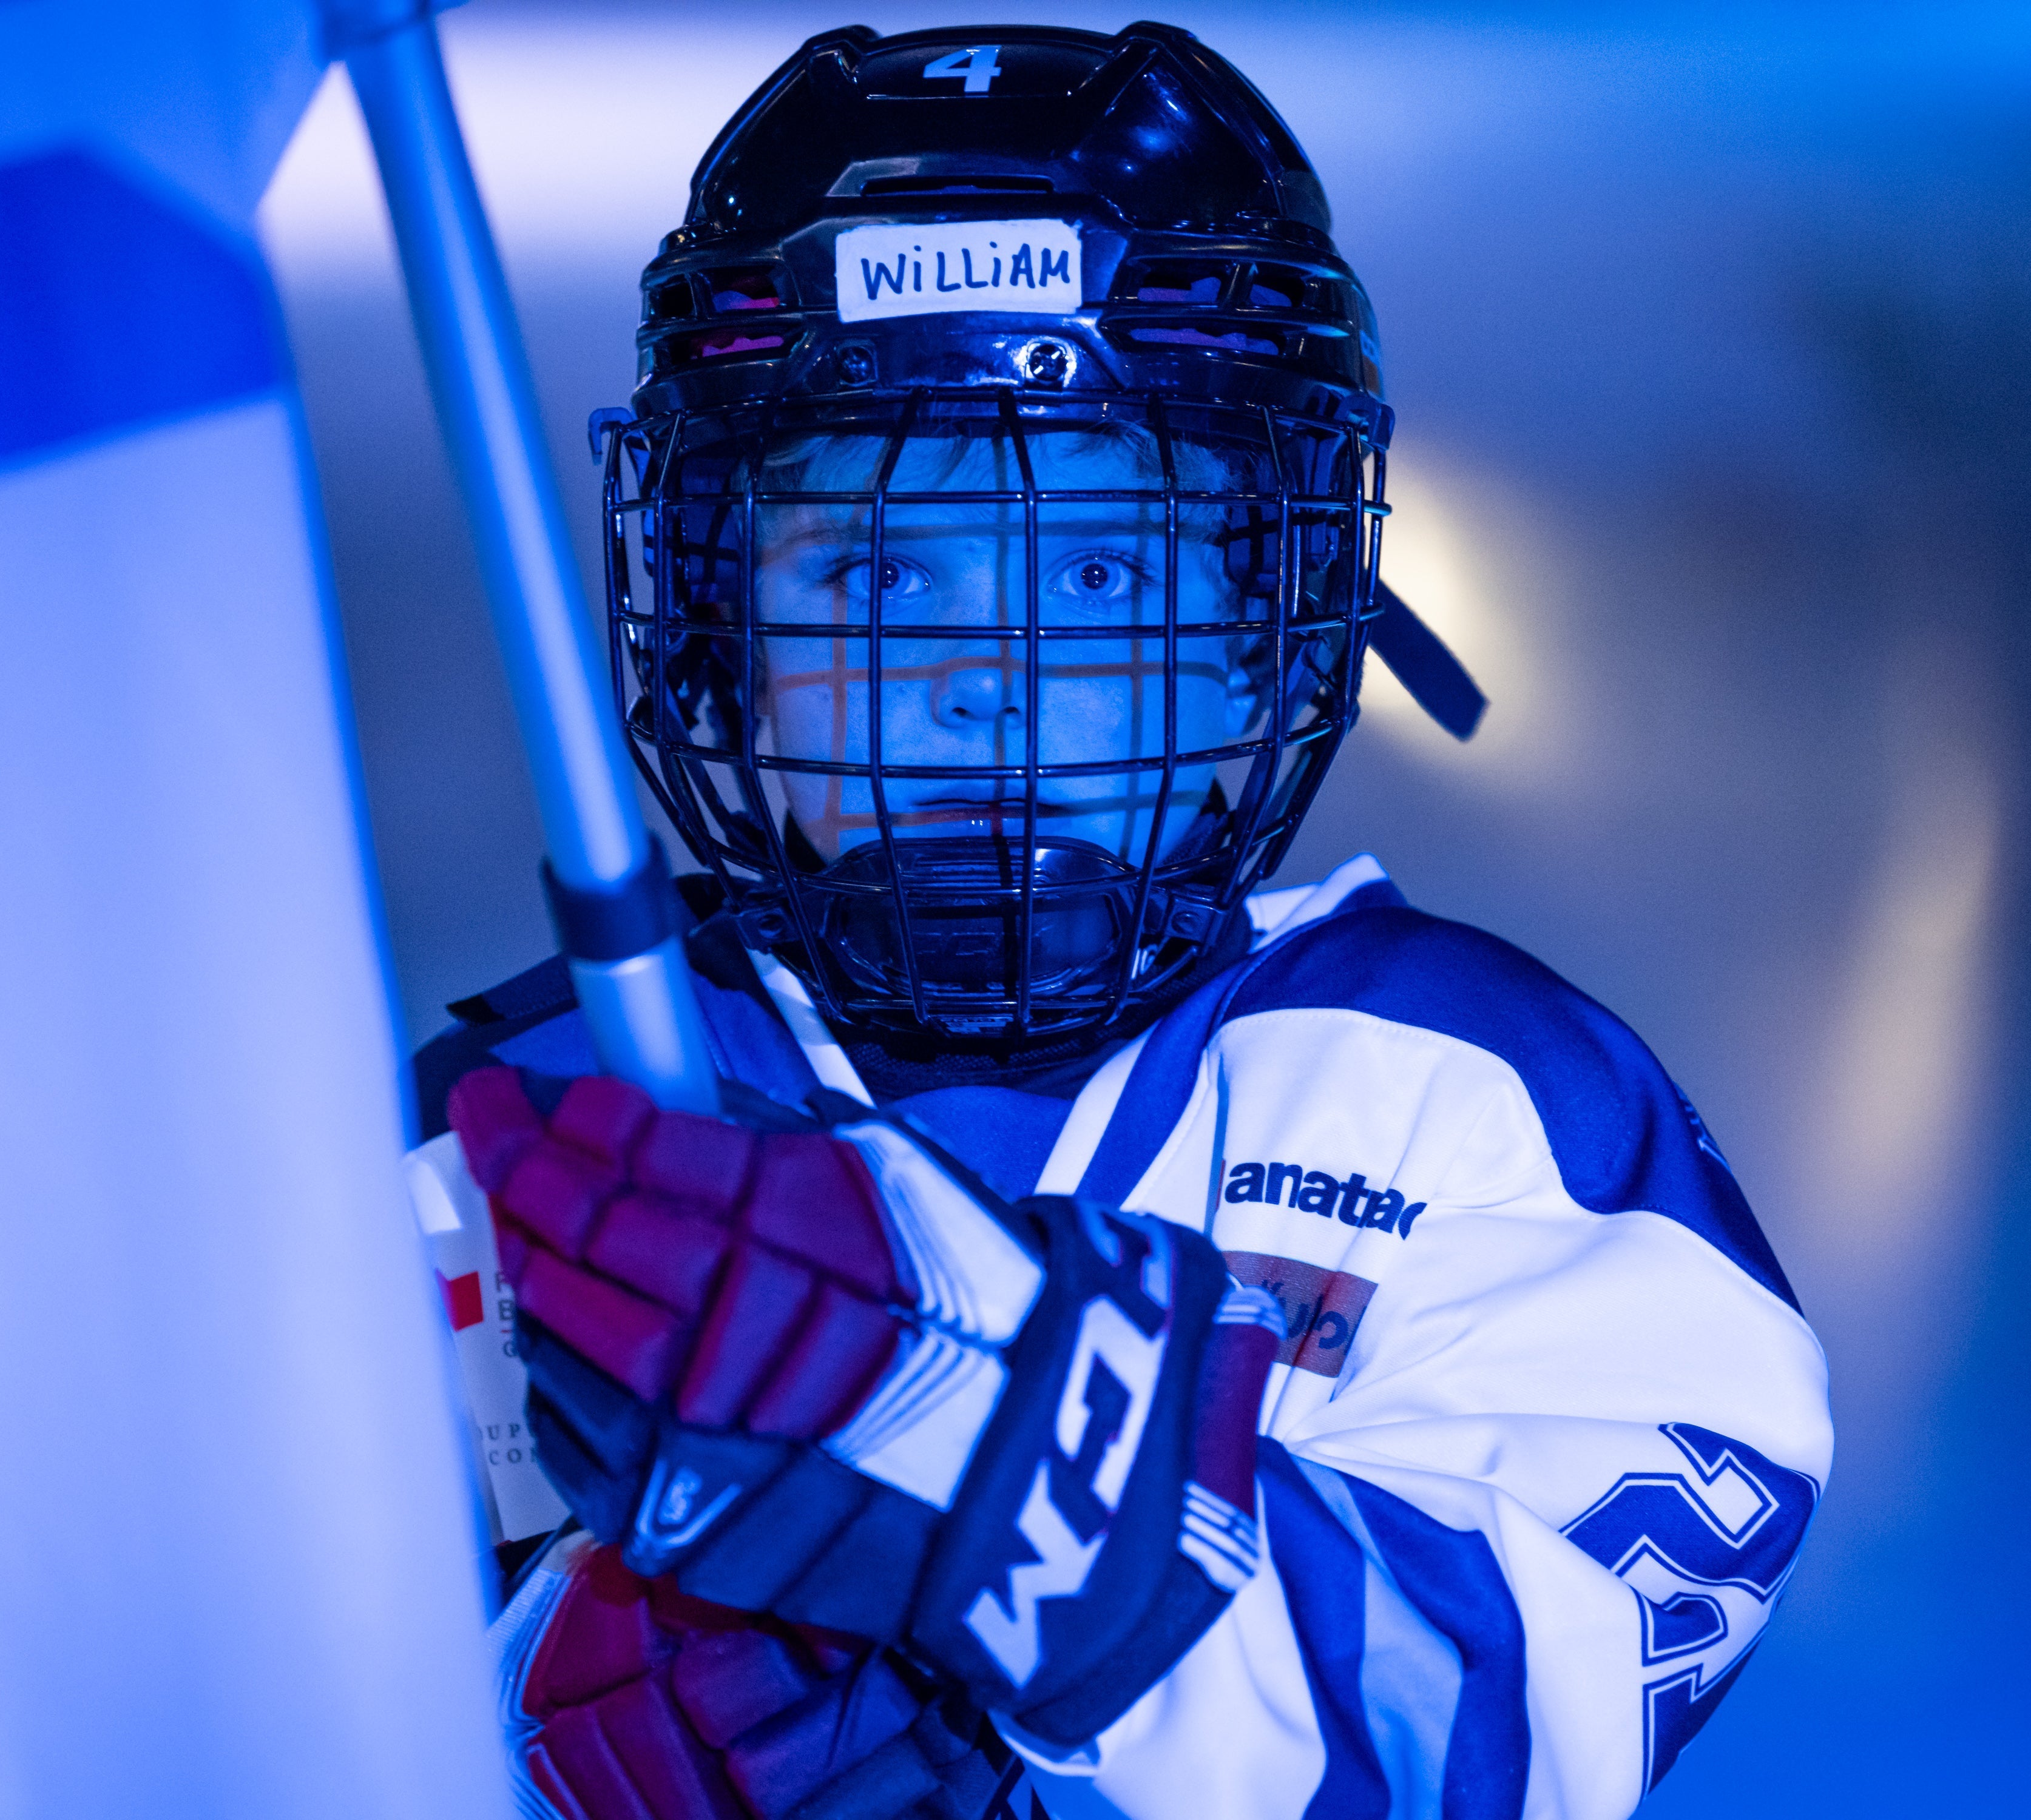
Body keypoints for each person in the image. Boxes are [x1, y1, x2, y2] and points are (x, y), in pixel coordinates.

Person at [405, 22, 1830, 1820]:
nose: (978, 681)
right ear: (715, 630)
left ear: (1271, 616)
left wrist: (1004, 1469)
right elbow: (172, 1674)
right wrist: (545, 1726)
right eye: (873, 571)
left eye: (1094, 573)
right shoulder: (515, 1132)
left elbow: (1493, 1741)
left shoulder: (1471, 1104)